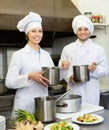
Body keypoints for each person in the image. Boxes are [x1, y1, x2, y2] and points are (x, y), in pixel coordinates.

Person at [5, 11, 61, 119]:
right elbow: (9, 82)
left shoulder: (46, 55)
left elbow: (53, 80)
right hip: (24, 106)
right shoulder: (18, 55)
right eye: (33, 31)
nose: (37, 34)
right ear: (27, 34)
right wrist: (29, 76)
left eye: (40, 31)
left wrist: (63, 68)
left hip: (43, 105)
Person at [59, 15, 109, 105]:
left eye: (85, 29)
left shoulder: (98, 49)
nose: (83, 32)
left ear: (89, 31)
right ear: (76, 31)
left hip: (91, 92)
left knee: (90, 117)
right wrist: (70, 77)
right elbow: (62, 70)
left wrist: (94, 70)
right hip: (73, 91)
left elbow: (105, 71)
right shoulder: (67, 49)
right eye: (80, 29)